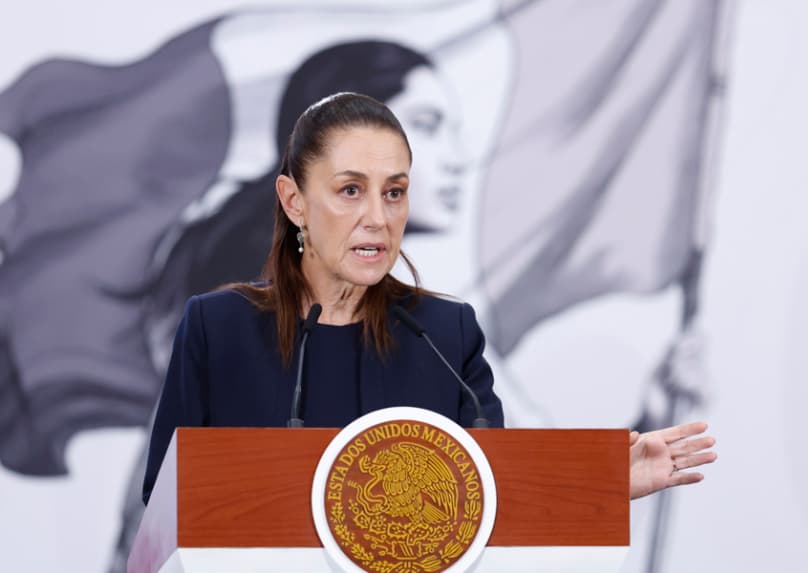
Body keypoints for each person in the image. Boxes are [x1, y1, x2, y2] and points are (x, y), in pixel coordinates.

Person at [142, 92, 716, 505]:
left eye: (394, 193)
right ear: (294, 202)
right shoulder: (219, 330)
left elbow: (497, 491)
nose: (377, 218)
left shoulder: (444, 333)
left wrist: (606, 479)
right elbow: (164, 507)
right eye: (350, 191)